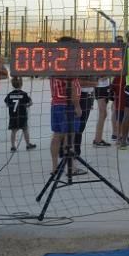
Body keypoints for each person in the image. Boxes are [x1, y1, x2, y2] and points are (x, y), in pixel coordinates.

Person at [49, 36, 83, 175]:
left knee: (57, 135)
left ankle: (55, 167)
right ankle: (71, 168)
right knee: (70, 136)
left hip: (55, 103)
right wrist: (77, 106)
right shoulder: (68, 64)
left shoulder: (54, 63)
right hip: (67, 105)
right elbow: (72, 87)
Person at [4, 76, 37, 152]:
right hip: (22, 115)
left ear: (12, 84)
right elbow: (30, 103)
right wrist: (27, 105)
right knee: (25, 130)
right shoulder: (24, 94)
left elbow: (7, 103)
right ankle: (28, 144)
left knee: (13, 131)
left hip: (13, 116)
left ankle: (13, 146)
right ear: (21, 84)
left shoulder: (9, 94)